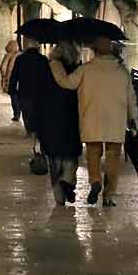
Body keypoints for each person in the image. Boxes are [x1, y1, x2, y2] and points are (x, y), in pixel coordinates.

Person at [50, 35, 138, 208]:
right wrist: (133, 119)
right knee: (113, 158)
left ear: (94, 51)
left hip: (92, 119)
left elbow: (67, 83)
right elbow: (131, 99)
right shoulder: (122, 72)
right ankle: (109, 196)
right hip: (115, 121)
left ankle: (95, 180)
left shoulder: (85, 70)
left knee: (93, 154)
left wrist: (56, 66)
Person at [35, 41, 83, 205]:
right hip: (70, 118)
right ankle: (68, 179)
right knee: (70, 157)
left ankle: (59, 198)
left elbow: (38, 97)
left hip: (48, 121)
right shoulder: (76, 71)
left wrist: (36, 123)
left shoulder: (44, 70)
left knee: (54, 161)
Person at [9, 40, 47, 138]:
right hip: (40, 92)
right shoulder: (43, 59)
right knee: (38, 112)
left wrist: (12, 89)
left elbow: (14, 76)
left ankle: (29, 131)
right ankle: (37, 131)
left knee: (26, 112)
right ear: (37, 48)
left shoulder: (20, 59)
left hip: (24, 91)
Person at [0, 39, 23, 121]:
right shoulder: (22, 54)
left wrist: (3, 77)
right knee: (21, 96)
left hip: (11, 78)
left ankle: (16, 114)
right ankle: (20, 111)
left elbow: (3, 67)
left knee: (14, 96)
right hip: (22, 79)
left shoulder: (8, 55)